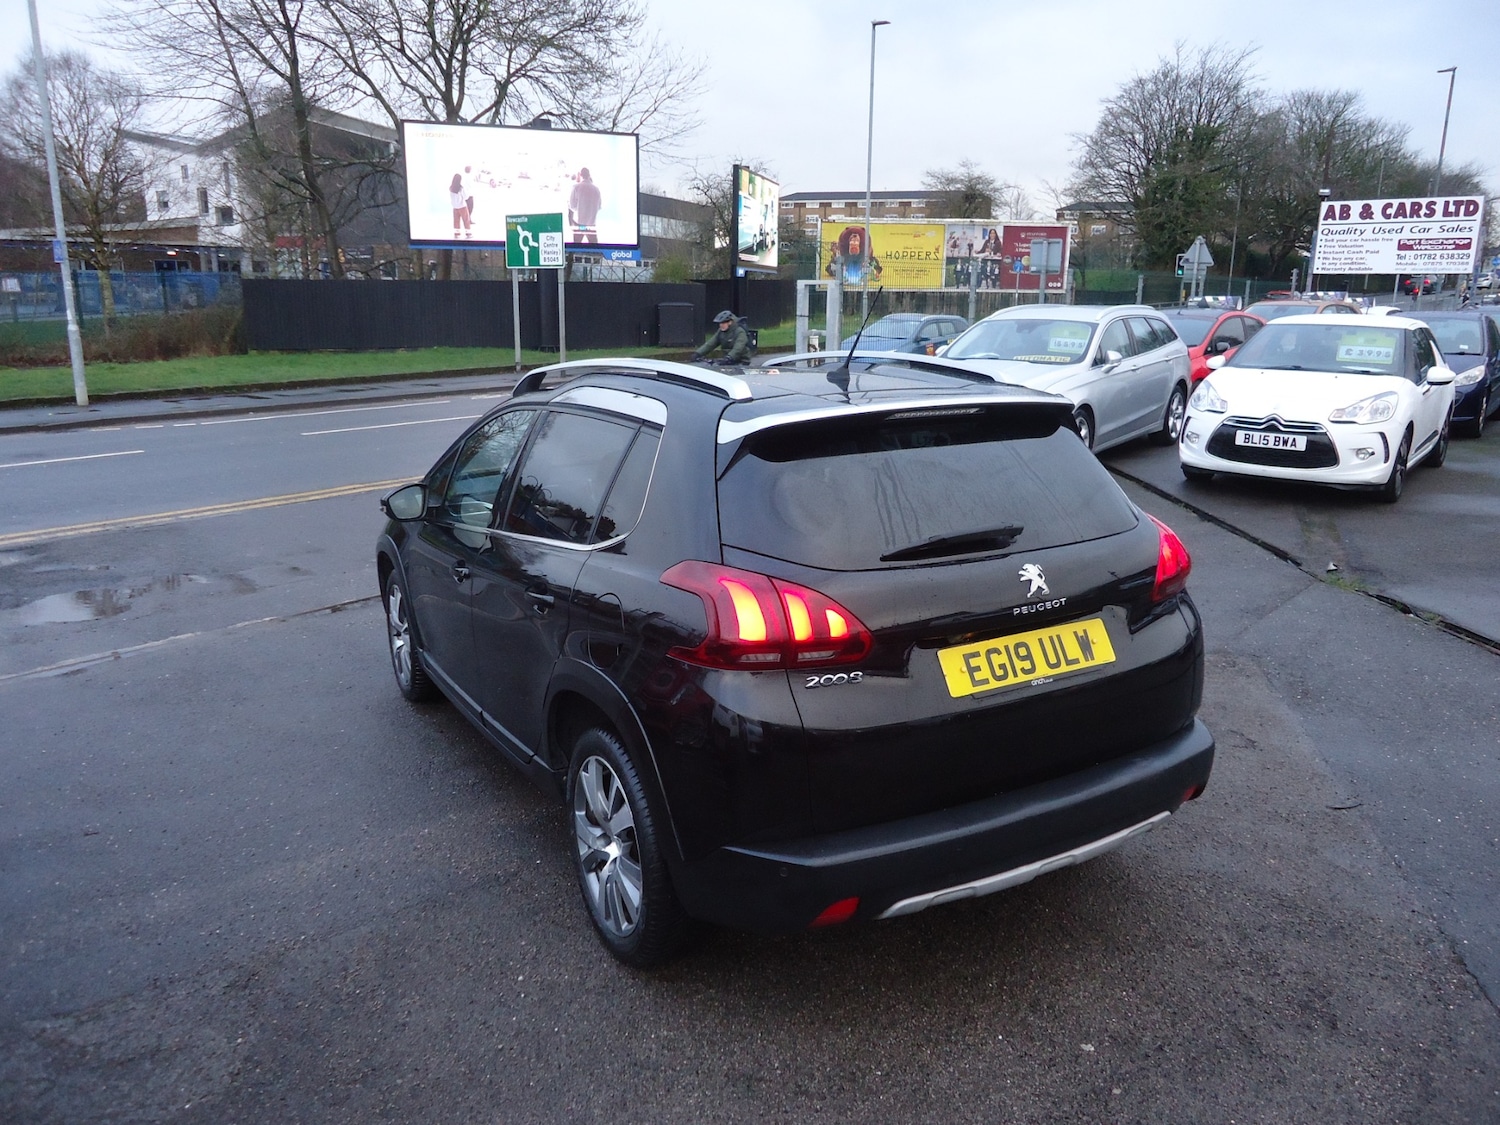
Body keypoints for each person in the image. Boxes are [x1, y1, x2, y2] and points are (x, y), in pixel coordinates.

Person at [569, 167, 602, 244]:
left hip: (579, 224)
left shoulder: (576, 187)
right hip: (591, 224)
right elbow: (599, 206)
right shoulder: (596, 189)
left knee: (576, 247)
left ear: (580, 175)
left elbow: (572, 206)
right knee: (594, 248)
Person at [449, 173, 471, 239]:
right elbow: (465, 197)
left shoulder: (451, 188)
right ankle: (468, 233)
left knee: (456, 221)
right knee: (466, 220)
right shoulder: (461, 188)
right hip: (462, 206)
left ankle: (457, 233)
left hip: (455, 207)